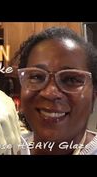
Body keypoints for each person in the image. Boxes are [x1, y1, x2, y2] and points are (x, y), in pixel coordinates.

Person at [15, 27, 97, 155]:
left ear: (93, 95)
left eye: (70, 79)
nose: (50, 93)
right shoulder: (4, 148)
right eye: (37, 76)